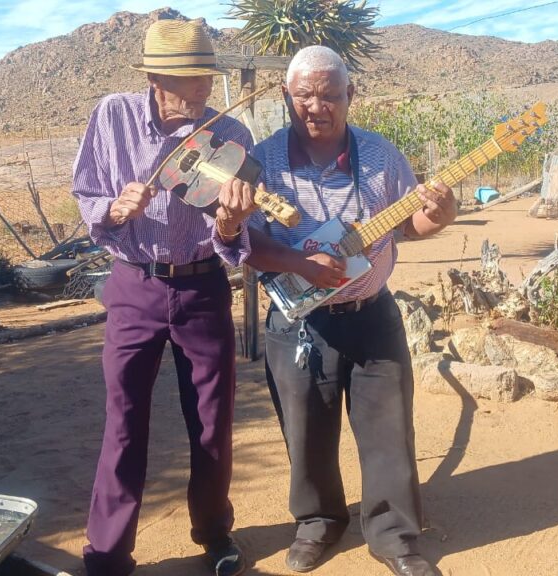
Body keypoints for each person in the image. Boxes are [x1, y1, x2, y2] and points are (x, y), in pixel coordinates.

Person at [245, 46, 457, 576]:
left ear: (350, 96)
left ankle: (394, 536)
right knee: (306, 430)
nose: (317, 107)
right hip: (298, 323)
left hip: (371, 314)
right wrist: (299, 262)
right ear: (285, 96)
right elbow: (244, 243)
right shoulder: (260, 162)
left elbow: (410, 224)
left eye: (330, 96)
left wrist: (441, 216)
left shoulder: (381, 156)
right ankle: (318, 522)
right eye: (304, 96)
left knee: (388, 430)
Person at [71, 18, 259, 576]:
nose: (204, 86)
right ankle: (107, 553)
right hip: (134, 285)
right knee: (124, 420)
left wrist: (230, 223)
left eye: (207, 75)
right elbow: (86, 190)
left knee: (212, 420)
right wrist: (113, 208)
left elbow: (235, 238)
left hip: (203, 289)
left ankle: (214, 533)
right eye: (191, 76)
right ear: (155, 78)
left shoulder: (230, 135)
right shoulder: (113, 116)